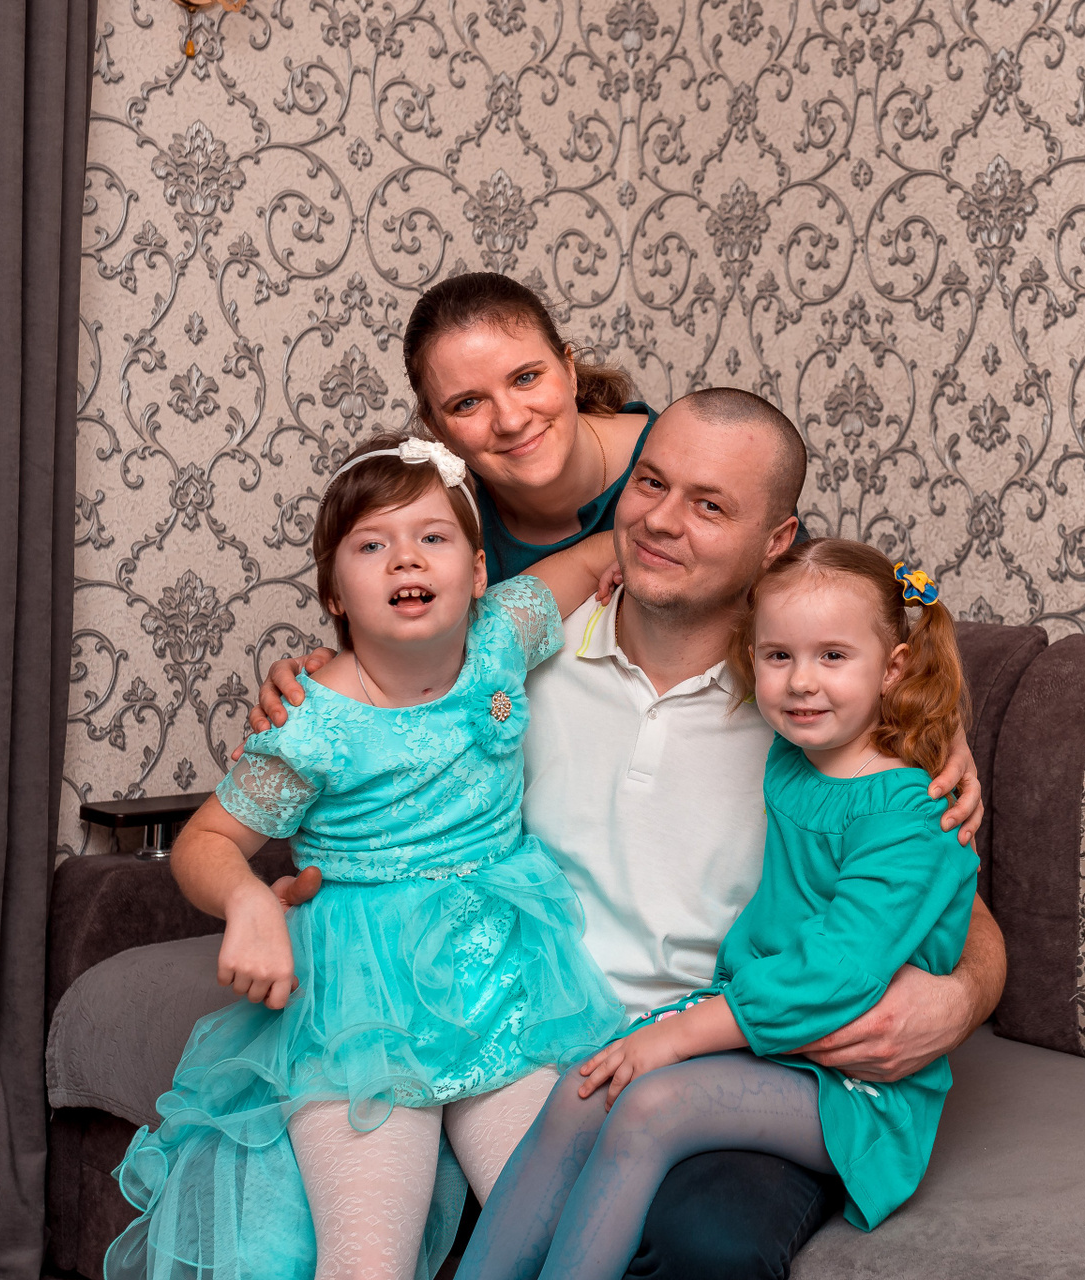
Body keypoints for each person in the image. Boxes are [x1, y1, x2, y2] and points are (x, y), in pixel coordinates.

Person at [252, 388, 1005, 1278]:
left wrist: (962, 999)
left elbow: (929, 896)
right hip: (527, 1027)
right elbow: (384, 695)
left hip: (734, 1039)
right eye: (651, 483)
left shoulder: (810, 712)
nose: (663, 520)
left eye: (710, 505)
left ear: (777, 541)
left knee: (705, 1242)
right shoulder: (512, 654)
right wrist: (318, 687)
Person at [105, 435, 627, 1280]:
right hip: (360, 1004)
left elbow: (609, 547)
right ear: (334, 594)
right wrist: (247, 902)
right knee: (366, 1263)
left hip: (504, 981)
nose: (405, 558)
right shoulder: (312, 723)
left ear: (479, 572)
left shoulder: (506, 633)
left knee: (557, 1234)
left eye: (432, 537)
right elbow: (206, 842)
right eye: (372, 545)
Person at [453, 538, 980, 1279]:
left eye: (833, 657)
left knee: (648, 1105)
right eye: (778, 657)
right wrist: (629, 571)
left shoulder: (915, 816)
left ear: (893, 668)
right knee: (586, 1086)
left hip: (849, 1077)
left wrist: (679, 1036)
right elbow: (714, 598)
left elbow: (836, 973)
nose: (802, 682)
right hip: (757, 1026)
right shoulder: (794, 754)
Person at [402, 272, 655, 583]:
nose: (511, 421)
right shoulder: (437, 524)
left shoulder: (678, 465)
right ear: (437, 429)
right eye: (467, 403)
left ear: (569, 371)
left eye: (526, 378)